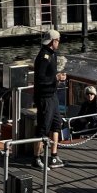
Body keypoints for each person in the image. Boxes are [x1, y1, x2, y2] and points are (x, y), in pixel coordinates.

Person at [32, 29, 66, 168]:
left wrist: (58, 78)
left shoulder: (53, 54)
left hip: (53, 95)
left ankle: (54, 155)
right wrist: (55, 78)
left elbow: (50, 76)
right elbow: (40, 79)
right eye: (58, 40)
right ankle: (36, 158)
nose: (59, 43)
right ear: (53, 41)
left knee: (56, 123)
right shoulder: (43, 56)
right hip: (44, 97)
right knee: (43, 127)